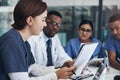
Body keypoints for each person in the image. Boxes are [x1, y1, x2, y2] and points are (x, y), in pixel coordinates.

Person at [0, 0, 76, 80]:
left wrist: (60, 70)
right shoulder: (12, 42)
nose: (45, 24)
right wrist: (55, 76)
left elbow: (33, 69)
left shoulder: (23, 42)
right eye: (43, 20)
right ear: (30, 20)